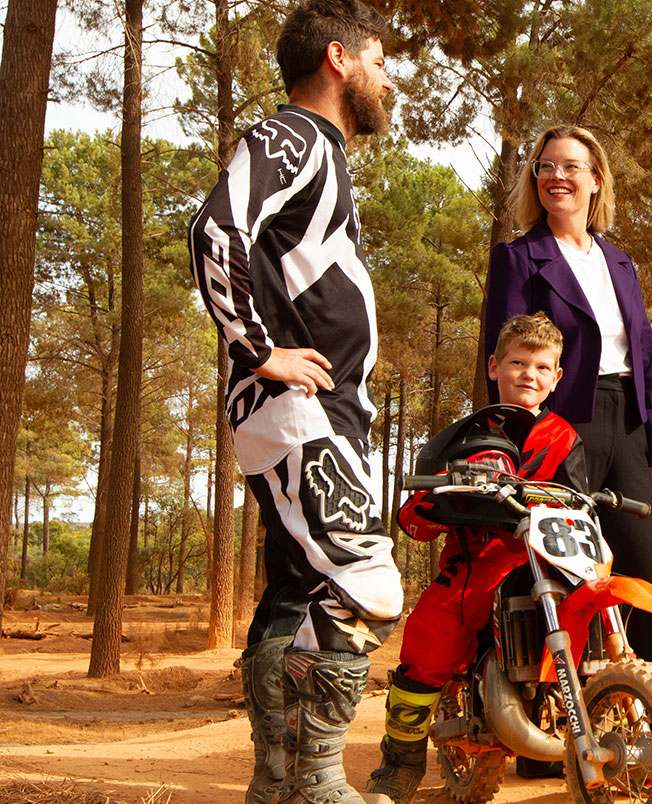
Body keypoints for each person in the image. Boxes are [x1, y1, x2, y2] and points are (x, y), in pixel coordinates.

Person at [186, 2, 397, 802]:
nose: (387, 76)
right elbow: (214, 228)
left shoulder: (321, 153)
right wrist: (260, 349)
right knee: (364, 585)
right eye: (378, 58)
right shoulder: (296, 136)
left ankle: (276, 783)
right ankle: (316, 785)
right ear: (339, 60)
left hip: (304, 412)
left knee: (297, 590)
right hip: (298, 408)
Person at [482, 125, 652, 772]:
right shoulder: (517, 257)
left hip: (624, 423)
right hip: (554, 426)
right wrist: (507, 438)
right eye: (546, 166)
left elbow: (645, 358)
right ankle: (541, 740)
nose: (556, 176)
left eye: (572, 166)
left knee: (648, 572)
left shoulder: (620, 262)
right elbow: (504, 354)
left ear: (597, 180)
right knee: (557, 574)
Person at [365, 313, 589, 803]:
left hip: (545, 564)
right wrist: (444, 494)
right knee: (429, 639)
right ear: (494, 367)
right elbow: (419, 512)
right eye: (517, 362)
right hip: (474, 564)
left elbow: (579, 498)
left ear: (556, 379)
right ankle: (399, 762)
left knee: (586, 621)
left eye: (541, 366)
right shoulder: (467, 431)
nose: (528, 374)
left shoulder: (564, 438)